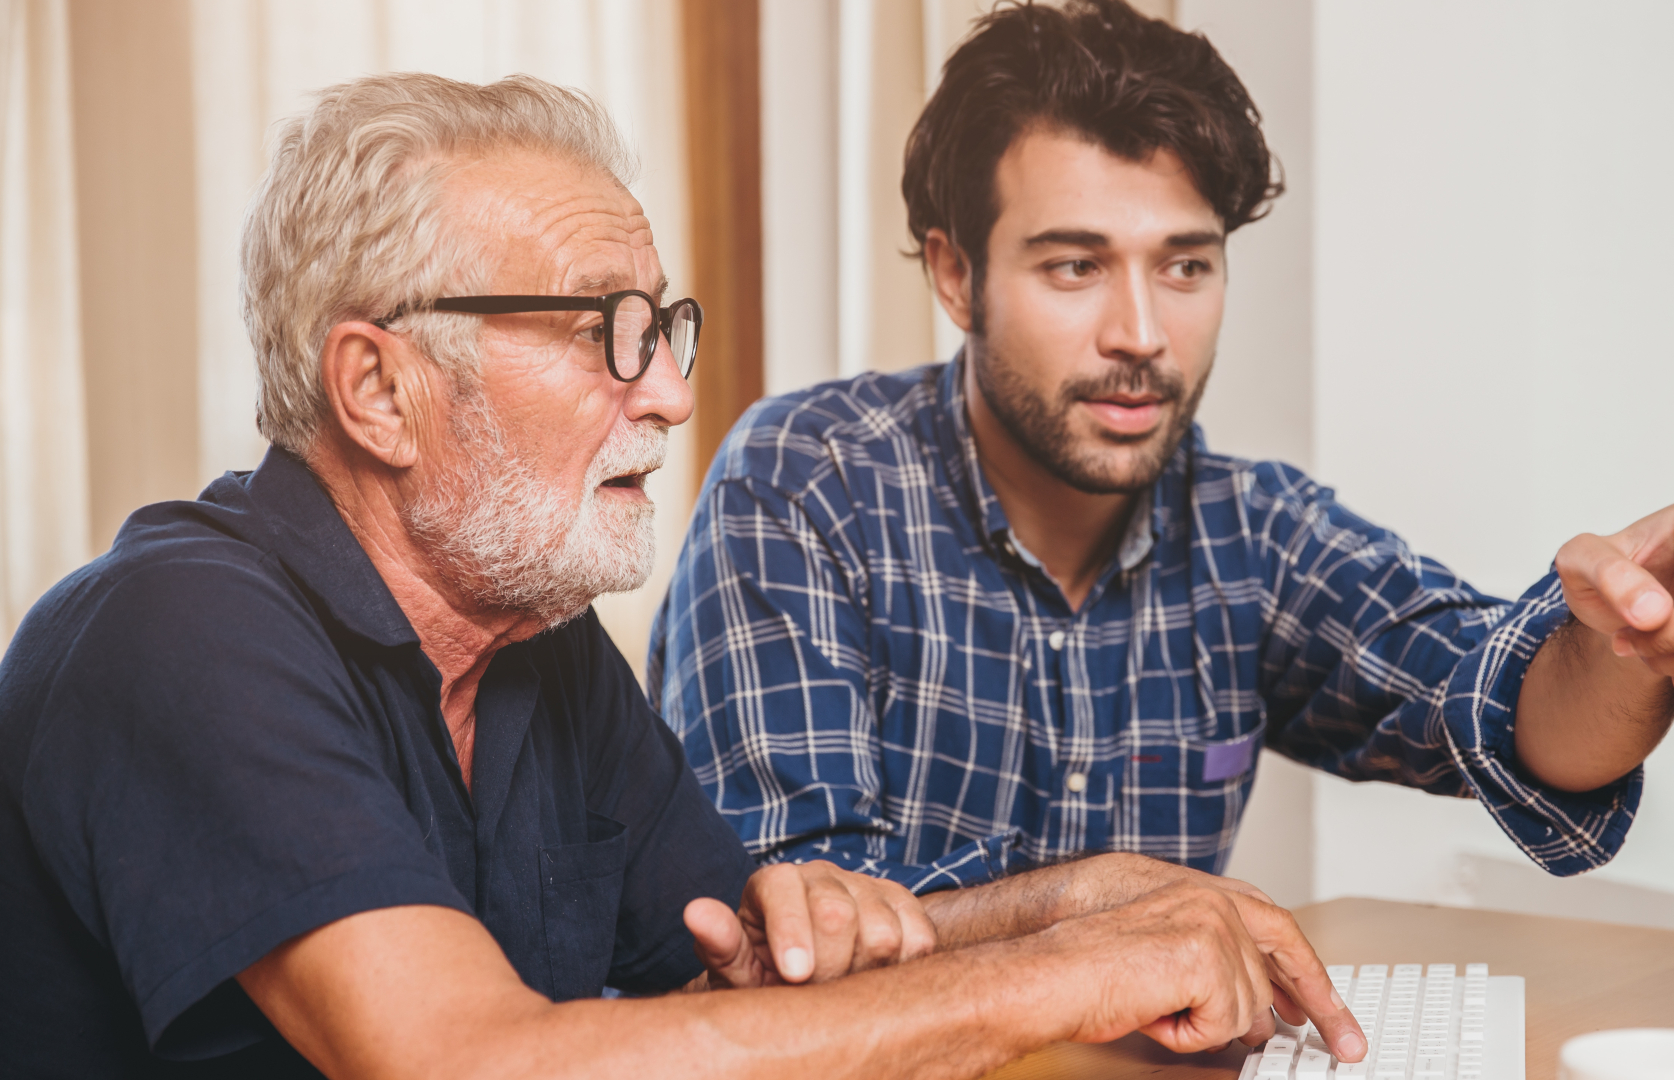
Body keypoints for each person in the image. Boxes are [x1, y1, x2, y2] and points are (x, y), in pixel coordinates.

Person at [0, 73, 1364, 1078]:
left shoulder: (532, 645)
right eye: (608, 329)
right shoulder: (175, 633)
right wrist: (1067, 979)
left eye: (666, 327)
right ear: (378, 387)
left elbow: (766, 977)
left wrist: (1083, 901)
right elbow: (471, 1064)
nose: (669, 394)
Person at [651, 0, 1674, 898]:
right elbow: (797, 925)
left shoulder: (1251, 532)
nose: (1141, 334)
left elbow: (1498, 706)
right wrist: (1110, 914)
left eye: (1185, 265)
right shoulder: (803, 485)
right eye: (1075, 266)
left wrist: (1628, 645)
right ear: (958, 273)